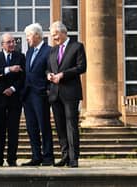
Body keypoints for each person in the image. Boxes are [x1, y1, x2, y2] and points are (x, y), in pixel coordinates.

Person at [47, 21, 87, 168]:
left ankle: (73, 157)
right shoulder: (52, 50)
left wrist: (63, 74)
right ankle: (64, 155)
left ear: (64, 32)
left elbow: (82, 67)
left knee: (71, 125)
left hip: (70, 93)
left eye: (56, 35)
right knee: (60, 126)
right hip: (55, 93)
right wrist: (49, 75)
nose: (54, 38)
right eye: (52, 36)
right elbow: (48, 68)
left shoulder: (77, 46)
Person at [0, 33, 25, 166]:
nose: (12, 44)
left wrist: (13, 88)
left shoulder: (20, 57)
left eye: (13, 42)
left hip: (14, 98)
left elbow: (23, 77)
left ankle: (12, 159)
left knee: (13, 130)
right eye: (9, 42)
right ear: (2, 44)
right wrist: (9, 69)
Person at [21, 23, 54, 166]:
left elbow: (51, 70)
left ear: (36, 35)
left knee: (44, 126)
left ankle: (48, 157)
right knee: (31, 127)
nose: (27, 39)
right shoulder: (29, 52)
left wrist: (47, 89)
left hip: (41, 94)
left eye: (28, 36)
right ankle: (36, 156)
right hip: (28, 95)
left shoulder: (49, 51)